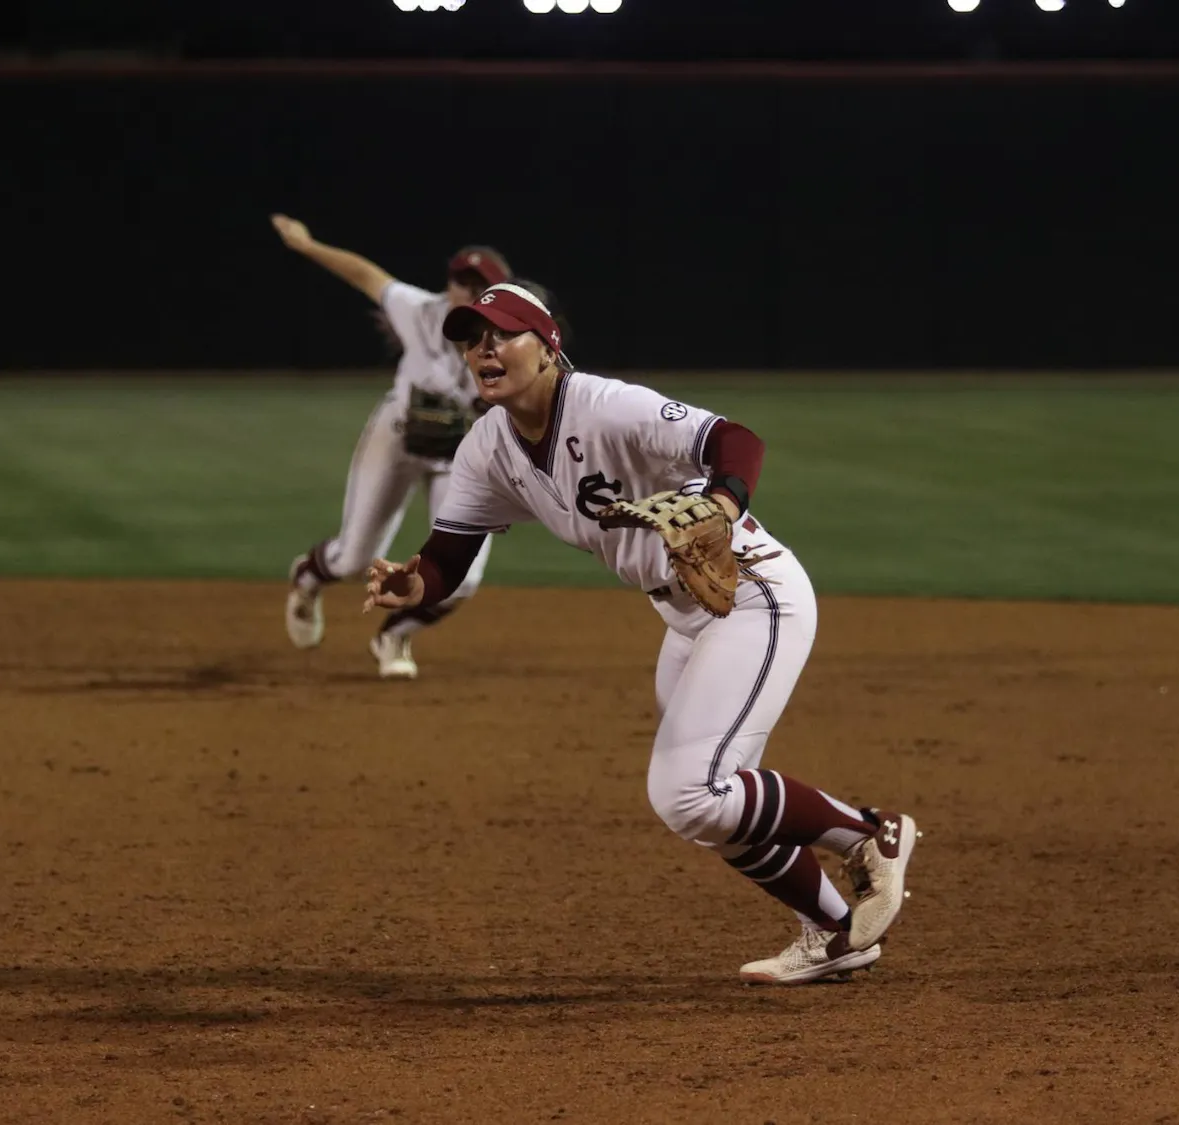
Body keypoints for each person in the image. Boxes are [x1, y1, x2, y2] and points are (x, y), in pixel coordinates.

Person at [362, 280, 921, 983]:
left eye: (502, 333)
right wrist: (412, 586)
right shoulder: (488, 447)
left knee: (687, 789)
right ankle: (839, 931)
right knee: (710, 803)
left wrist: (720, 500)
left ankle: (871, 834)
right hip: (685, 618)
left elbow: (734, 440)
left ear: (549, 345)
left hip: (754, 593)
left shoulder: (605, 405)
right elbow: (447, 557)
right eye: (472, 339)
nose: (484, 349)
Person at [270, 214, 511, 680]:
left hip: (460, 460)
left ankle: (394, 635)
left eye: (477, 283)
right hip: (397, 438)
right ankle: (309, 575)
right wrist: (307, 245)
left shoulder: (510, 343)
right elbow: (364, 274)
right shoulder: (419, 310)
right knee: (352, 560)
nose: (465, 289)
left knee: (463, 579)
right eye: (461, 279)